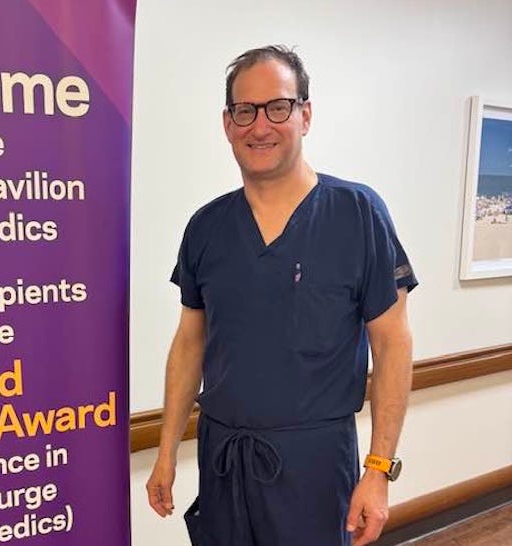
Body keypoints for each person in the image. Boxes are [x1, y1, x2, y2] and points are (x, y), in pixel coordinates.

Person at [145, 45, 417, 546]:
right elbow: (189, 342)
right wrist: (166, 452)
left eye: (278, 107)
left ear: (305, 115)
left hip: (315, 465)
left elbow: (392, 344)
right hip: (224, 459)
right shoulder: (207, 227)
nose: (260, 126)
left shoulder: (357, 214)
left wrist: (378, 469)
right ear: (227, 123)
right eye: (244, 111)